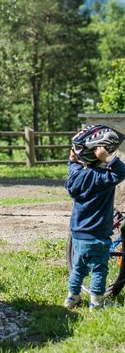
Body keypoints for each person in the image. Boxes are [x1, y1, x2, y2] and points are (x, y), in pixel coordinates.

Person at [65, 125, 125, 311]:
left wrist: (72, 160)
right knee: (99, 269)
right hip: (97, 234)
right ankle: (96, 303)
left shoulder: (76, 178)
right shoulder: (102, 178)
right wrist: (108, 158)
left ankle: (72, 298)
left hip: (78, 234)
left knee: (78, 268)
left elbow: (73, 168)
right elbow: (121, 172)